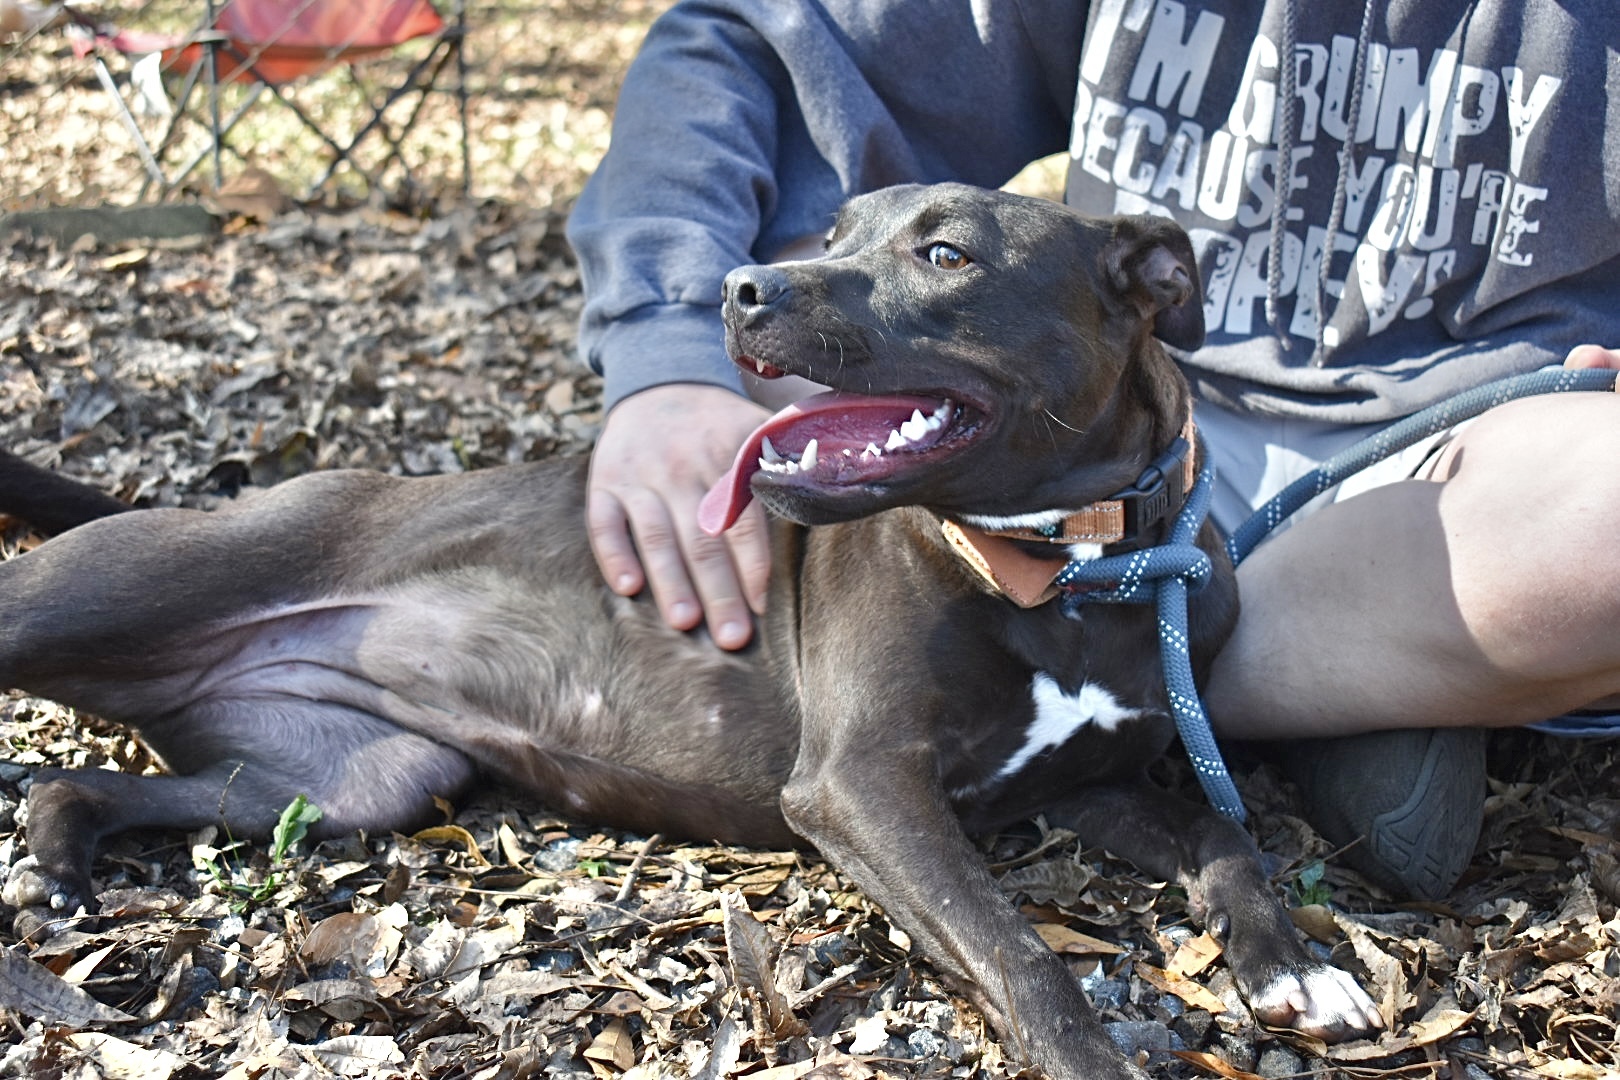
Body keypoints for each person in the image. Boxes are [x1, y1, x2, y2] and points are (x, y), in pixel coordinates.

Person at [566, 0, 1620, 899]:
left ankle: (1245, 673)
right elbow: (758, 38)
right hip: (1097, 415)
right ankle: (1363, 685)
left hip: (1475, 457)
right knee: (815, 298)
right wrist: (664, 360)